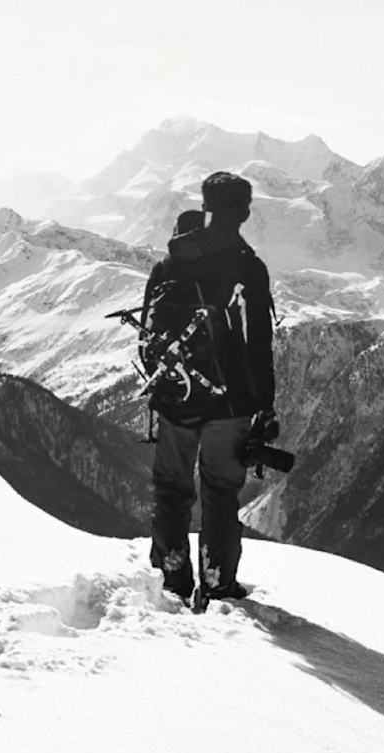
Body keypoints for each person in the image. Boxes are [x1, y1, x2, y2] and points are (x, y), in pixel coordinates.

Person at [142, 171, 278, 605]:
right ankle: (218, 581)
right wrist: (265, 406)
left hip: (175, 396)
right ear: (244, 212)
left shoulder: (168, 262)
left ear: (205, 207)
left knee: (171, 489)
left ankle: (171, 577)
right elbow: (259, 342)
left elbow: (147, 333)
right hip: (231, 402)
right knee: (219, 491)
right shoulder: (247, 267)